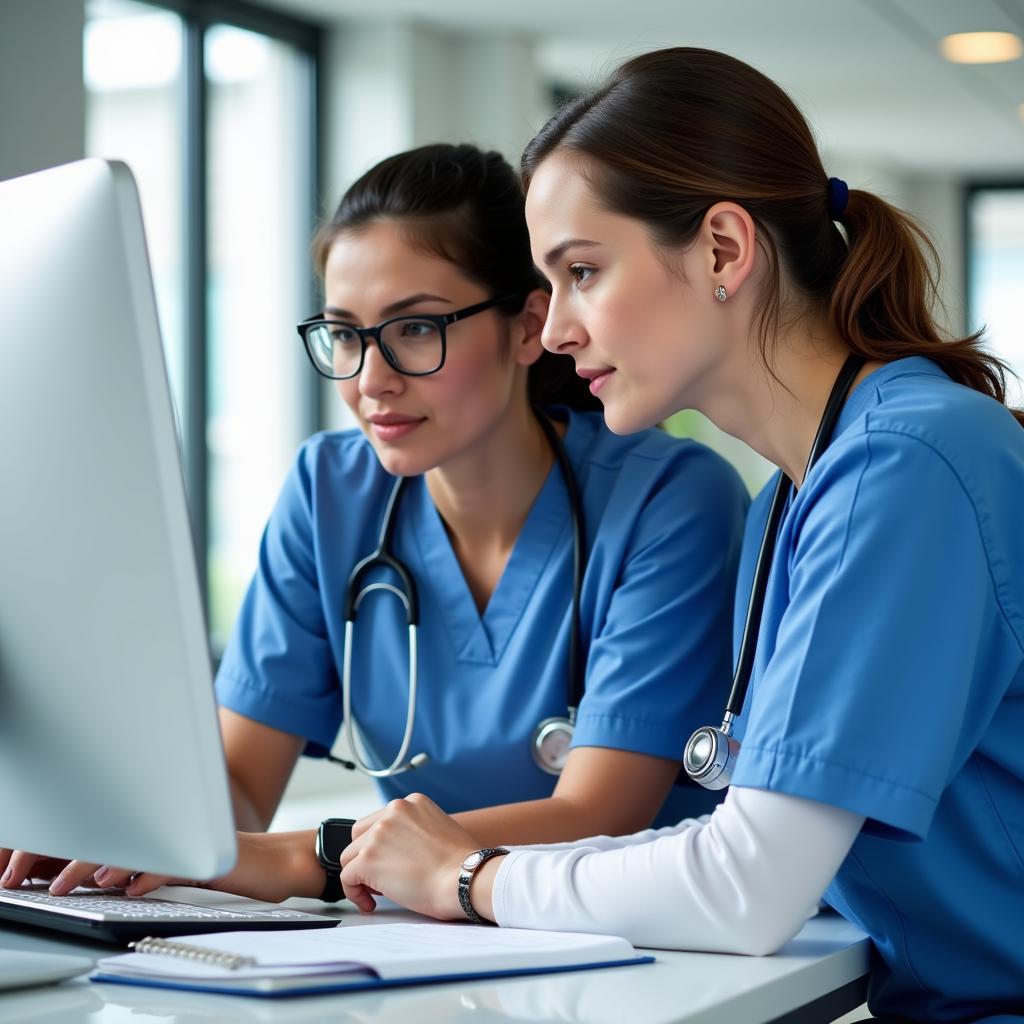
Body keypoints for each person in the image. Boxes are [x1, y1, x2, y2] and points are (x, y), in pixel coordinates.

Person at [125, 50, 1024, 1022]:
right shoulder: (798, 497)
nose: (553, 332)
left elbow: (745, 881)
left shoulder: (903, 463)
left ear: (723, 250)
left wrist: (463, 876)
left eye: (582, 272)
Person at [0, 143, 749, 896]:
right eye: (346, 335)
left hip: (639, 946)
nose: (371, 380)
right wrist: (111, 833)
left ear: (527, 327)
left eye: (416, 329)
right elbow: (234, 787)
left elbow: (600, 813)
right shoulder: (330, 492)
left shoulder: (673, 501)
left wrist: (310, 857)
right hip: (417, 933)